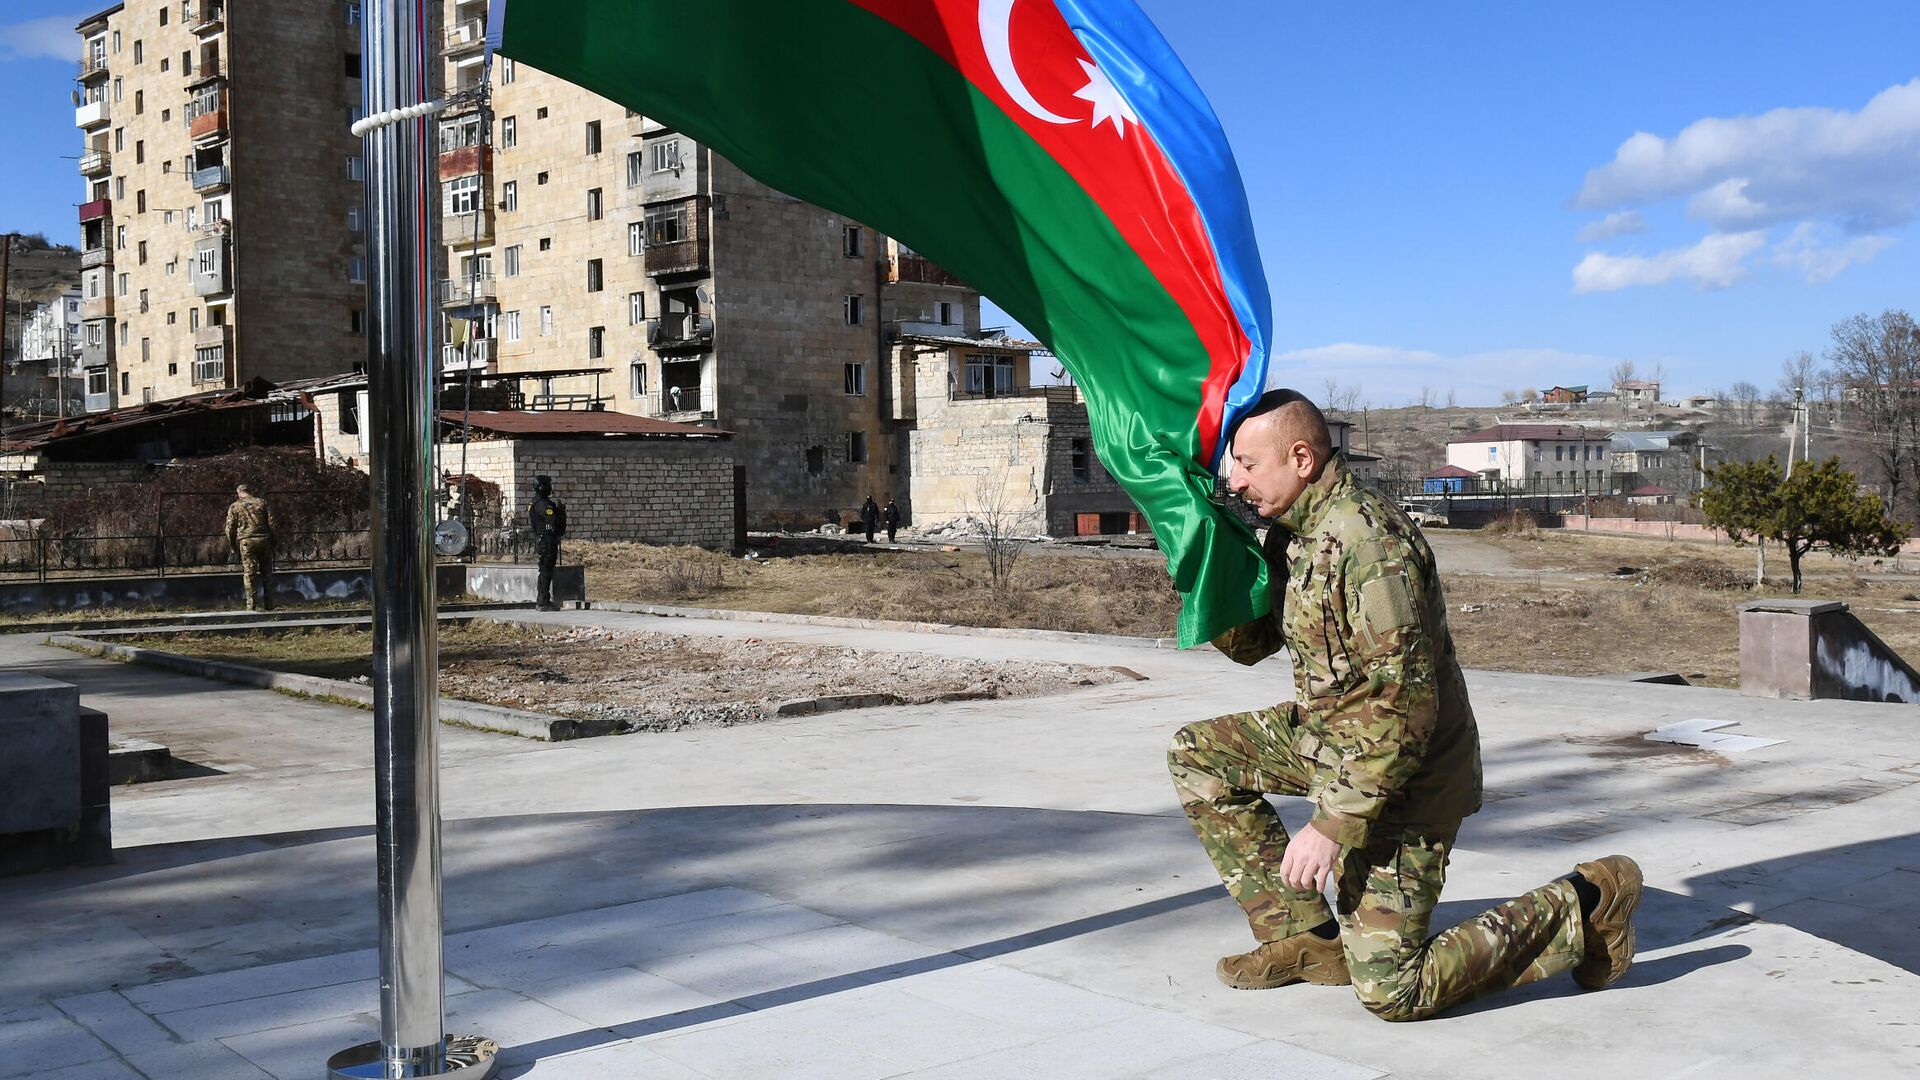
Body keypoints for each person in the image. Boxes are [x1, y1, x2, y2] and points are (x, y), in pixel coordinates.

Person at [1168, 388, 1641, 1022]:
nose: (1235, 478)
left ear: (1301, 458)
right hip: (1334, 744)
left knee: (1393, 990)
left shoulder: (1370, 544)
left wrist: (1330, 826)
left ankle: (1586, 903)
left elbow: (1405, 708)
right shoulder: (1296, 534)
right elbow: (1254, 644)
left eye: (1247, 464)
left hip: (1408, 777)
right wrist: (1202, 563)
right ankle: (1303, 938)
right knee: (1200, 755)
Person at [224, 483, 278, 612]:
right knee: (267, 572)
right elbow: (272, 523)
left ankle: (251, 605)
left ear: (239, 492)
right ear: (250, 491)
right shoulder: (262, 503)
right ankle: (269, 604)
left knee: (249, 573)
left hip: (246, 541)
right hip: (264, 539)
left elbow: (230, 527)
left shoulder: (235, 506)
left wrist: (232, 544)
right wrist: (274, 541)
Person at [528, 475, 567, 611]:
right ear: (542, 487)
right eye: (549, 485)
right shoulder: (543, 504)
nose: (551, 487)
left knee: (546, 571)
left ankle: (544, 600)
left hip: (545, 540)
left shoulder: (536, 502)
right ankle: (543, 601)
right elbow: (553, 521)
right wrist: (560, 512)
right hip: (547, 540)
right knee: (546, 571)